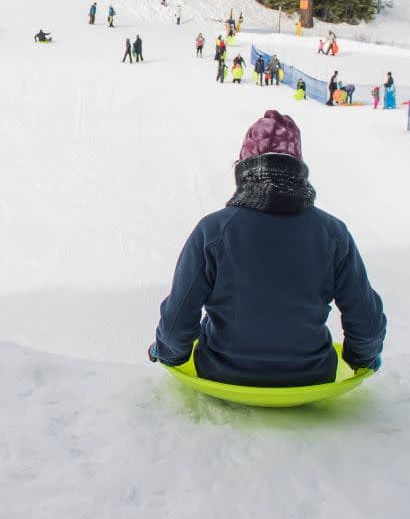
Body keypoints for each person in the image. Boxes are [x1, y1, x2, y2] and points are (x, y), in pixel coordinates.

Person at [151, 111, 385, 387]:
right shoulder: (333, 233)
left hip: (223, 374)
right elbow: (366, 320)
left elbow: (179, 315)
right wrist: (363, 359)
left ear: (245, 168)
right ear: (298, 169)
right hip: (310, 377)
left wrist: (169, 354)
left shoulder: (214, 231)